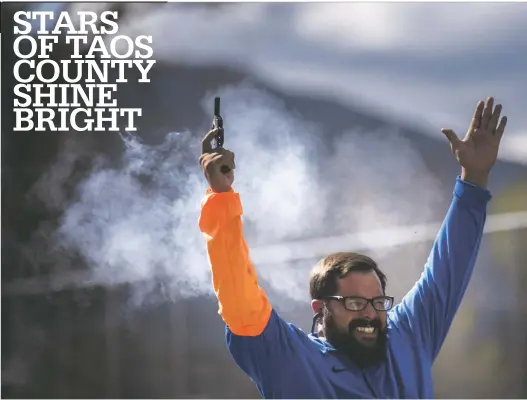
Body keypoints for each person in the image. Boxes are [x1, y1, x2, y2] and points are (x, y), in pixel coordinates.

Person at [198, 97, 507, 398]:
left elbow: (448, 267)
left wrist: (475, 178)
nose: (371, 315)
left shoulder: (407, 338)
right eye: (355, 303)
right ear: (321, 309)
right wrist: (221, 198)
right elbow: (239, 296)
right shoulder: (290, 360)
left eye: (377, 302)